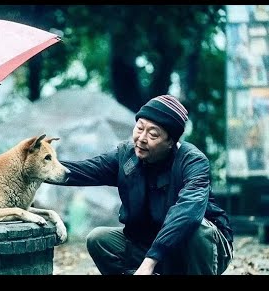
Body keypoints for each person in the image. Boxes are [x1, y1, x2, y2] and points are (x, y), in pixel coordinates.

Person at [49, 95, 234, 275]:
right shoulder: (126, 157)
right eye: (139, 128)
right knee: (98, 239)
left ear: (171, 141)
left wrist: (150, 261)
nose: (142, 138)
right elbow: (83, 171)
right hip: (150, 244)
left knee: (197, 229)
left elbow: (188, 213)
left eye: (153, 134)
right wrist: (34, 169)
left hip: (201, 250)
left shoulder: (193, 162)